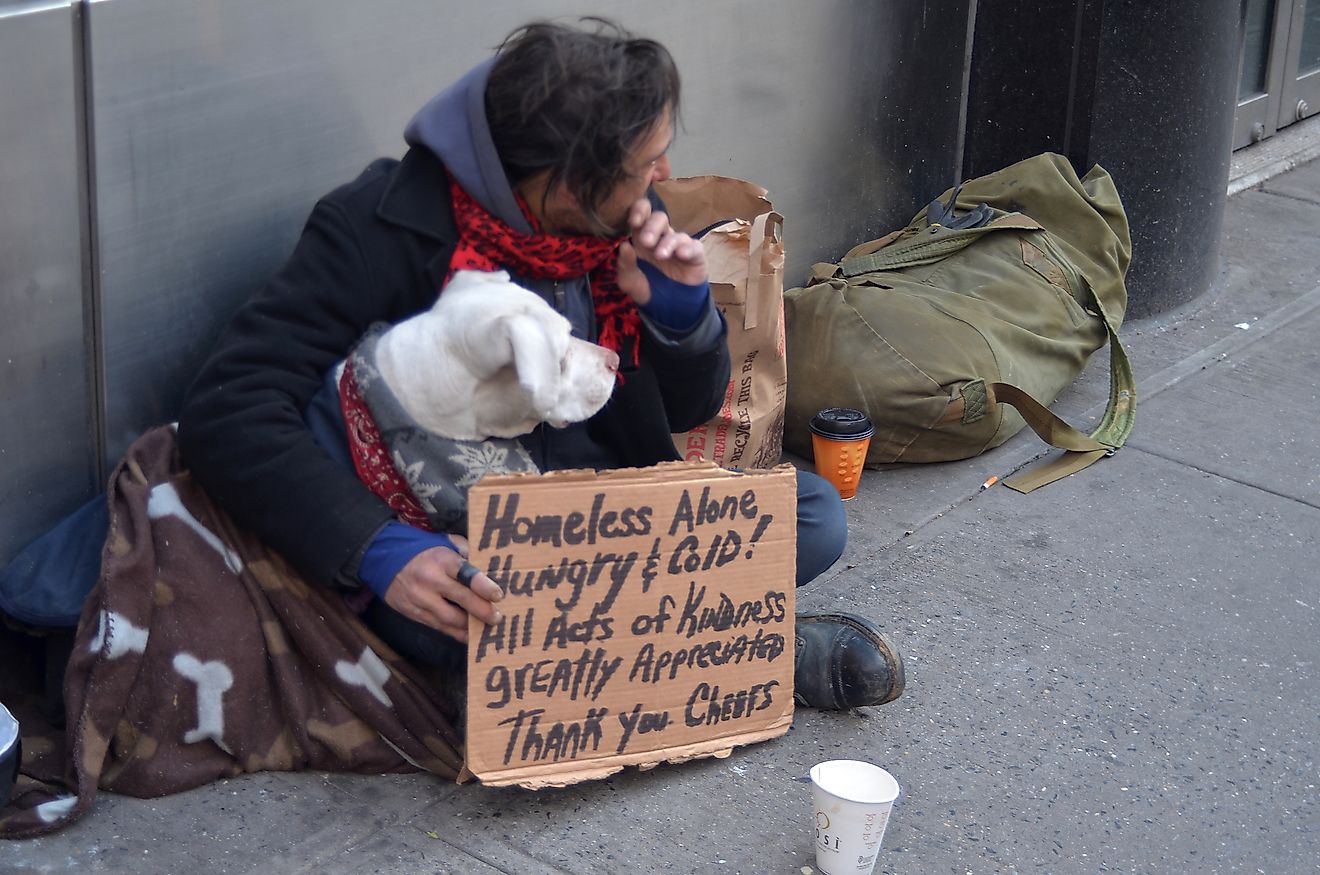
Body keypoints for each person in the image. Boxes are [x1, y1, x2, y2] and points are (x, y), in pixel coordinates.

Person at [175, 18, 903, 711]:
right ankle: (754, 658)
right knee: (464, 616)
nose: (663, 175)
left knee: (811, 517)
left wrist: (682, 313)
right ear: (560, 185)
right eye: (644, 164)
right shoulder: (377, 228)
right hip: (459, 535)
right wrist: (378, 547)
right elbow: (229, 406)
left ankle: (619, 661)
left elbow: (684, 412)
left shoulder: (621, 220)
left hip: (603, 520)